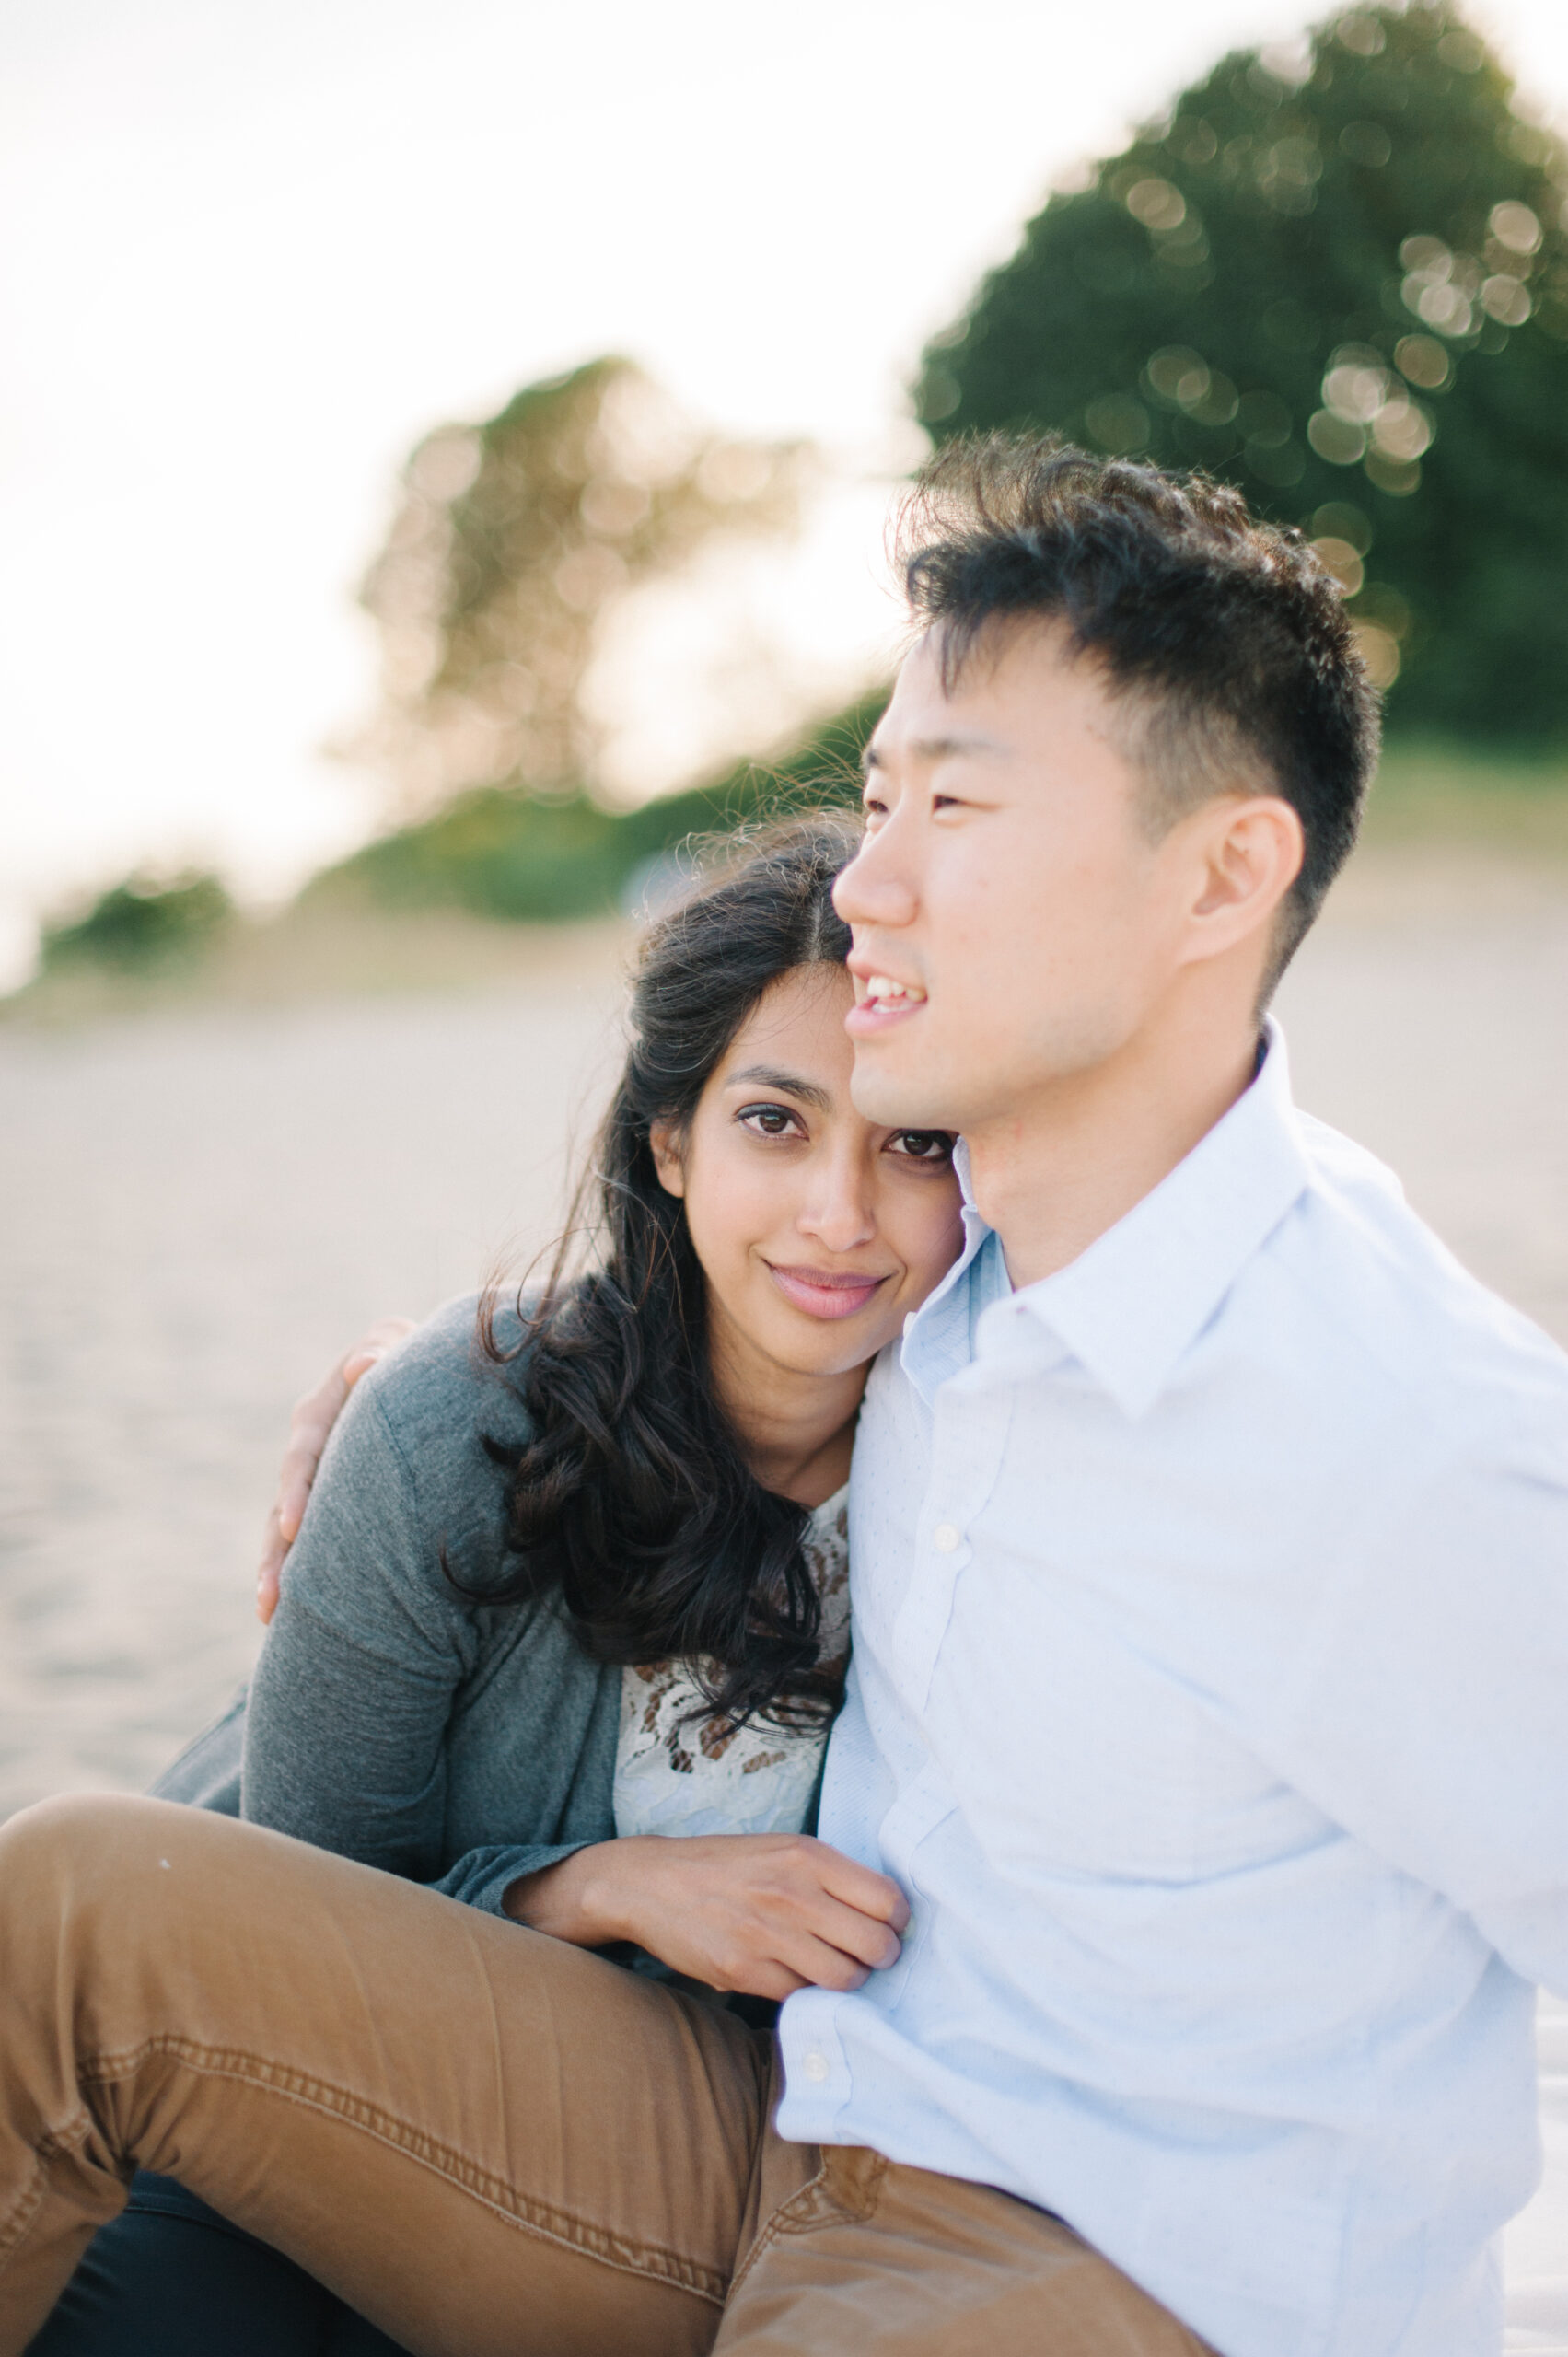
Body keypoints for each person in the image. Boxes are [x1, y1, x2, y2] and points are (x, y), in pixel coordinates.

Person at [4, 436, 1566, 2357]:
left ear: (1225, 871)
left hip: (1097, 2253)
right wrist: (418, 1393)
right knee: (66, 1898)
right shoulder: (960, 1277)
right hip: (760, 2128)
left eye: (957, 808)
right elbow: (715, 1293)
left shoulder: (1408, 1430)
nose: (874, 880)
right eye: (882, 793)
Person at [26, 816, 965, 2354]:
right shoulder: (456, 1429)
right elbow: (310, 1902)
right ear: (672, 1144)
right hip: (294, 2098)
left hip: (656, 2190)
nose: (839, 1215)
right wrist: (587, 1887)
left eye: (915, 1142)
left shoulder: (1003, 1471)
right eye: (776, 1125)